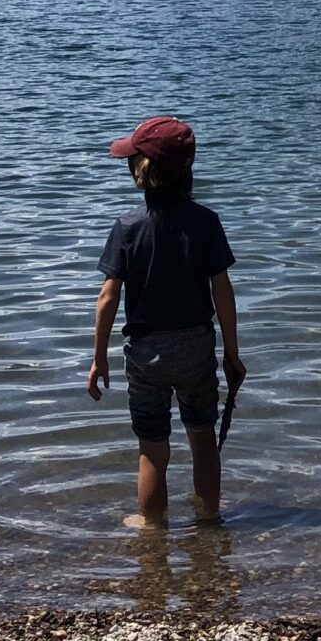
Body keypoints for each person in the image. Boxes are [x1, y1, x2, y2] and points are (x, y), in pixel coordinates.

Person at [85, 115, 246, 526]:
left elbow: (107, 298)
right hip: (195, 347)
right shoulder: (206, 222)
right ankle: (209, 520)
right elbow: (222, 293)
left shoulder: (127, 228)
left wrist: (99, 358)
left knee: (152, 448)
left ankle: (152, 531)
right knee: (203, 439)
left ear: (141, 172)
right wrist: (232, 354)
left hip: (146, 353)